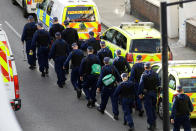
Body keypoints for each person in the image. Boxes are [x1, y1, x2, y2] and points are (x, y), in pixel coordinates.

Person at [138, 62, 160, 131]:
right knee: (153, 108)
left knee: (148, 110)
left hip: (147, 94)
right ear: (150, 67)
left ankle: (151, 125)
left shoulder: (143, 75)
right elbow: (159, 83)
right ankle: (154, 122)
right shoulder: (155, 74)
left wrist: (140, 93)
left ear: (145, 68)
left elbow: (141, 85)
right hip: (154, 93)